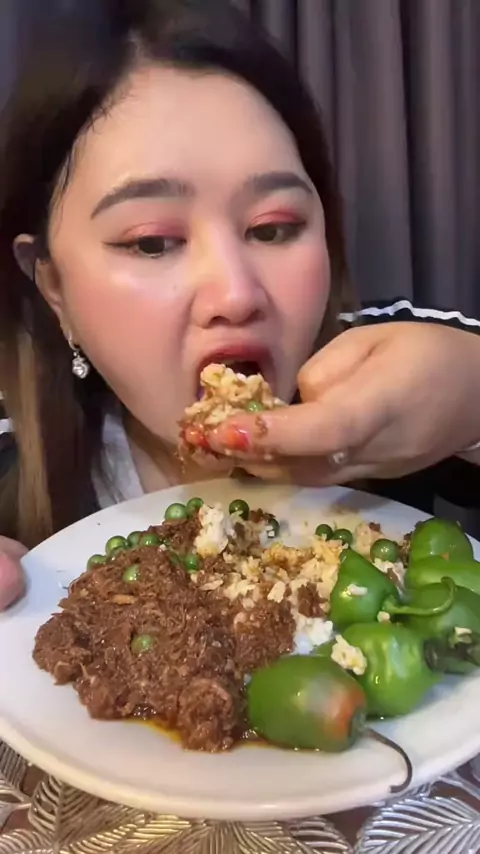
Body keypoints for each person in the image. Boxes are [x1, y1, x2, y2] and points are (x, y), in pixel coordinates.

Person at [1, 0, 480, 611]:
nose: (235, 293)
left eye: (273, 228)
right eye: (152, 242)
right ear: (52, 286)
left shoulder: (399, 372)